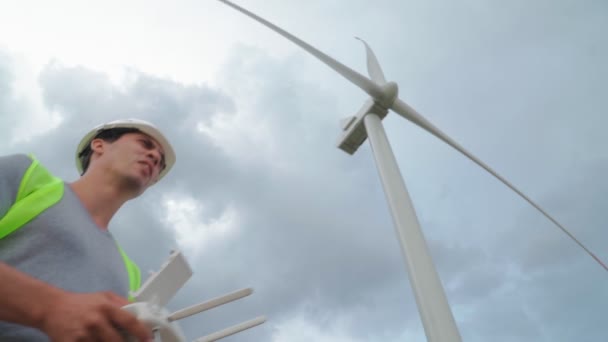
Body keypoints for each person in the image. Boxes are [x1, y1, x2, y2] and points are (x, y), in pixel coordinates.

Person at [0, 119, 176, 341]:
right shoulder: (26, 176)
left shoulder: (130, 273)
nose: (155, 157)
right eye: (145, 144)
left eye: (160, 163)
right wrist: (50, 307)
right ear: (99, 145)